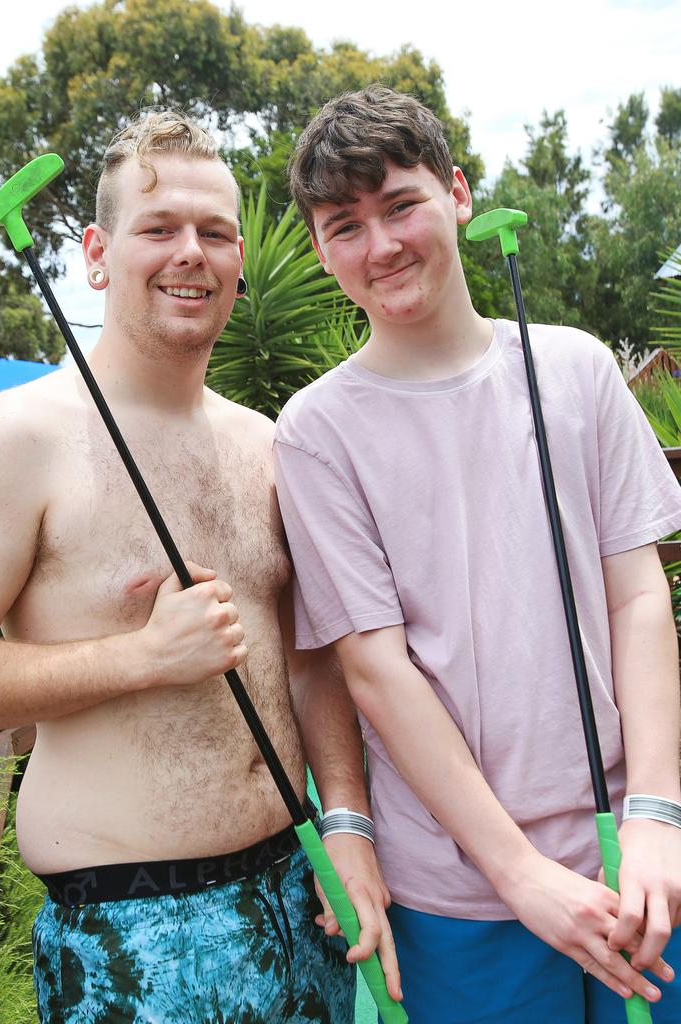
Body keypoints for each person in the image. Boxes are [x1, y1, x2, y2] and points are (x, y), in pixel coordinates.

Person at [0, 111, 400, 1022]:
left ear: (242, 258)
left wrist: (346, 823)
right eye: (159, 229)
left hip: (304, 897)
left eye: (215, 233)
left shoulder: (264, 444)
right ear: (97, 252)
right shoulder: (19, 438)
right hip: (127, 933)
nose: (191, 253)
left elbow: (309, 657)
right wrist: (139, 658)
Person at [273, 85, 681, 1023]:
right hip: (463, 900)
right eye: (344, 225)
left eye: (401, 204)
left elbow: (638, 599)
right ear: (320, 248)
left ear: (456, 193)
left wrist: (657, 813)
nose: (380, 245)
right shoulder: (315, 434)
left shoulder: (576, 369)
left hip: (642, 860)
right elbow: (375, 672)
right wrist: (520, 876)